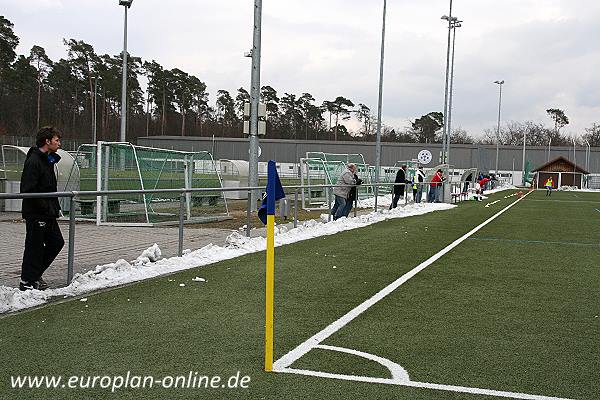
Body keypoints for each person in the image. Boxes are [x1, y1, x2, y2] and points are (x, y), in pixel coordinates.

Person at [19, 126, 65, 291]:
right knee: (34, 246)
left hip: (48, 213)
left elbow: (50, 188)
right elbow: (28, 189)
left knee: (57, 242)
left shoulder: (49, 160)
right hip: (37, 213)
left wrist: (55, 207)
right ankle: (27, 281)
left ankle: (34, 274)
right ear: (47, 141)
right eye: (56, 140)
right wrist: (45, 207)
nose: (59, 144)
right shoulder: (34, 161)